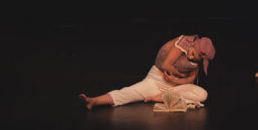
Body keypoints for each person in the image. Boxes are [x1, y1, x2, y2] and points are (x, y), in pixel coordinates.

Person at [79, 35, 216, 110]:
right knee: (128, 92)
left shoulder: (197, 61)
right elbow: (165, 64)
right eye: (192, 53)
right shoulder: (183, 42)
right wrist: (178, 75)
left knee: (202, 94)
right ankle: (94, 101)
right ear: (192, 45)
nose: (191, 57)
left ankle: (163, 97)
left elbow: (190, 80)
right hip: (157, 80)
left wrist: (177, 81)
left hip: (175, 87)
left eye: (195, 58)